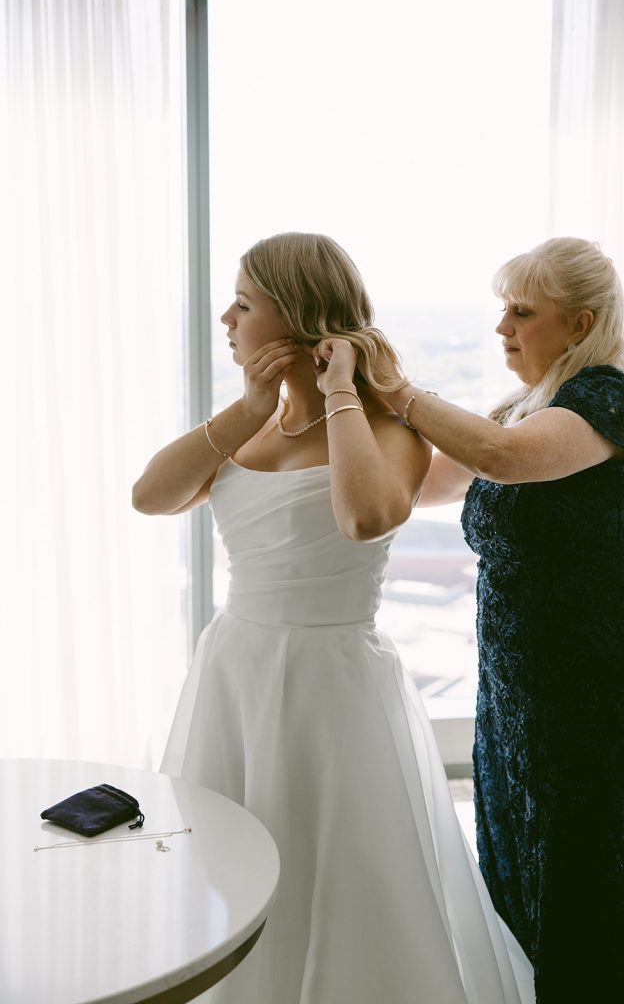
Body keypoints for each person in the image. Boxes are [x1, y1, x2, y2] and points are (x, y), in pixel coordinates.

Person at [132, 232, 534, 1004]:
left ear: (293, 318)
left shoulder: (389, 431)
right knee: (229, 860)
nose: (226, 317)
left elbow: (365, 516)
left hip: (334, 680)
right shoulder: (246, 427)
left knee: (340, 867)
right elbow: (150, 496)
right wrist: (251, 406)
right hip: (234, 670)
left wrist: (343, 390)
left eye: (244, 304)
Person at [375, 237, 624, 1004]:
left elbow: (503, 460)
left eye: (520, 312)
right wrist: (342, 408)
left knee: (588, 869)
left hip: (604, 691)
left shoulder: (607, 400)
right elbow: (430, 485)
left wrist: (402, 392)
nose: (501, 328)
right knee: (525, 857)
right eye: (500, 309)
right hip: (524, 693)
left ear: (578, 325)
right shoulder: (521, 407)